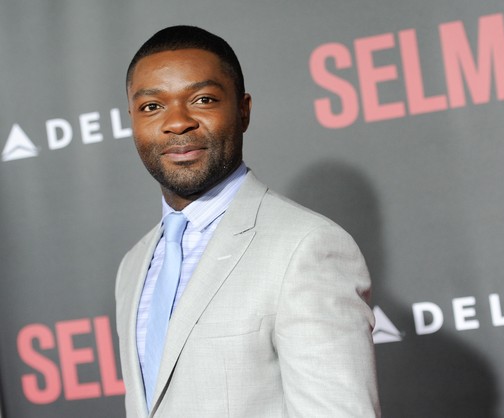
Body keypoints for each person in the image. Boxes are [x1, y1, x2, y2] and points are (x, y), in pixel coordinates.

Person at [115, 25, 381, 418]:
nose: (177, 123)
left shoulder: (306, 247)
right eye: (152, 107)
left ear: (243, 110)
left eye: (203, 99)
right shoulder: (133, 266)